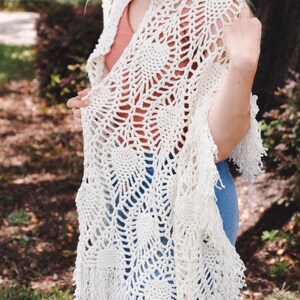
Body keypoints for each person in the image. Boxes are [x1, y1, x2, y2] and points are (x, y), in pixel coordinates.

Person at [66, 0, 264, 298]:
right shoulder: (116, 3)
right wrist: (100, 104)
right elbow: (143, 88)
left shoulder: (216, 9)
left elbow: (219, 144)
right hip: (121, 187)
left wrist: (243, 67)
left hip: (182, 191)